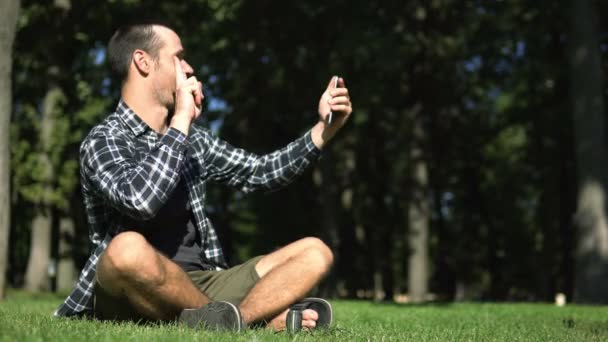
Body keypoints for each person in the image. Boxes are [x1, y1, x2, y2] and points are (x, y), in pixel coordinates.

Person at [54, 22, 352, 332]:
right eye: (178, 58)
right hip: (131, 286)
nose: (189, 67)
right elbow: (139, 201)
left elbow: (261, 172)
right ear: (143, 62)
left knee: (316, 252)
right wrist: (180, 121)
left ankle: (235, 320)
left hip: (202, 283)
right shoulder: (104, 139)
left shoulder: (195, 141)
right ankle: (243, 319)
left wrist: (323, 131)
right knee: (126, 249)